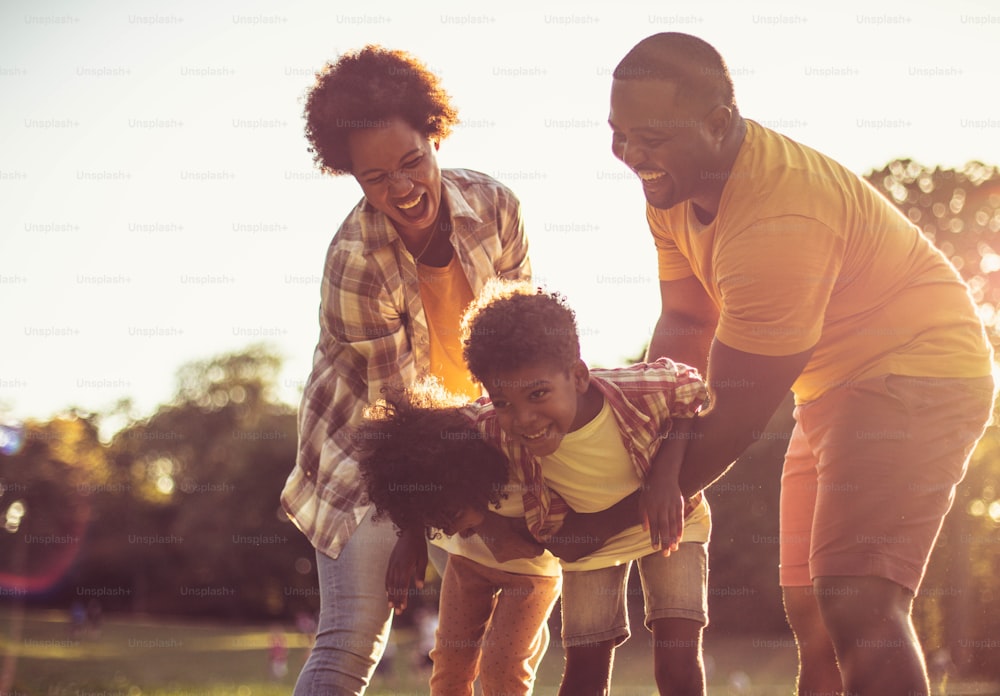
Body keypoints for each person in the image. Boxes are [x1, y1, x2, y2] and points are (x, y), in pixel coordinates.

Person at [607, 32, 996, 696]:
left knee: (859, 599)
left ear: (718, 123)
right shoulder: (670, 191)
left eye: (650, 136)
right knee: (815, 613)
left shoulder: (777, 213)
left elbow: (735, 411)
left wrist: (613, 509)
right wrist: (645, 443)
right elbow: (689, 322)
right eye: (617, 133)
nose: (630, 155)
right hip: (829, 389)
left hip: (916, 372)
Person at [279, 45, 538, 695]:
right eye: (374, 178)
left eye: (411, 161)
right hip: (366, 451)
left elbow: (520, 350)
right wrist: (414, 528)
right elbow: (397, 416)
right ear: (352, 176)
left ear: (434, 135)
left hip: (469, 436)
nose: (400, 189)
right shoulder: (356, 259)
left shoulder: (497, 209)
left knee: (511, 634)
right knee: (350, 643)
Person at [369, 280, 711, 695]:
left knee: (675, 662)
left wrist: (665, 477)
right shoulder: (493, 427)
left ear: (579, 376)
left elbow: (691, 389)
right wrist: (410, 530)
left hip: (670, 522)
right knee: (584, 670)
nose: (525, 418)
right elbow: (421, 446)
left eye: (539, 394)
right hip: (590, 543)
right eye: (504, 402)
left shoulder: (634, 391)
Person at [357, 394, 562, 696]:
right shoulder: (437, 480)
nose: (448, 529)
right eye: (436, 522)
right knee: (450, 665)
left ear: (470, 482)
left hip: (532, 576)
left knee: (503, 667)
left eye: (451, 516)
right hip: (468, 566)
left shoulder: (512, 455)